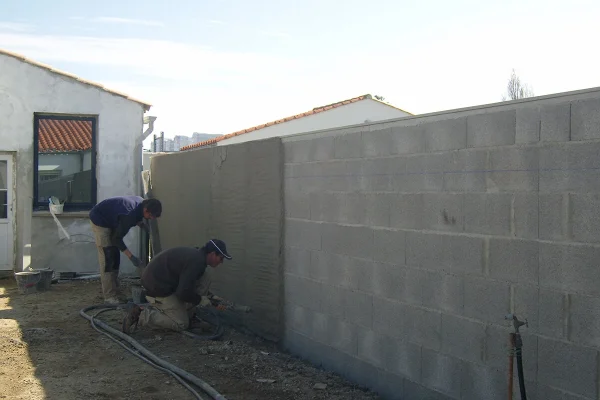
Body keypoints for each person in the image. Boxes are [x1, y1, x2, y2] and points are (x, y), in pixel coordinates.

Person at [122, 239, 232, 334]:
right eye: (221, 258)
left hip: (164, 282)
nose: (221, 262)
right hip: (156, 287)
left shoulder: (198, 256)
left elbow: (188, 284)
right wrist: (200, 300)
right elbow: (182, 292)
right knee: (181, 323)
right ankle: (140, 315)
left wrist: (206, 298)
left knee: (205, 277)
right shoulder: (197, 262)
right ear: (212, 254)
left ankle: (189, 315)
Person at [89, 196, 162, 304]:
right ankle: (109, 297)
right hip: (100, 220)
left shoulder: (142, 202)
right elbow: (116, 239)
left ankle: (116, 292)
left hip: (111, 218)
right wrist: (131, 257)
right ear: (146, 210)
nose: (151, 219)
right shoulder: (129, 215)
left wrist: (141, 224)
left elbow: (136, 214)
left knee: (115, 255)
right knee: (108, 259)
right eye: (151, 216)